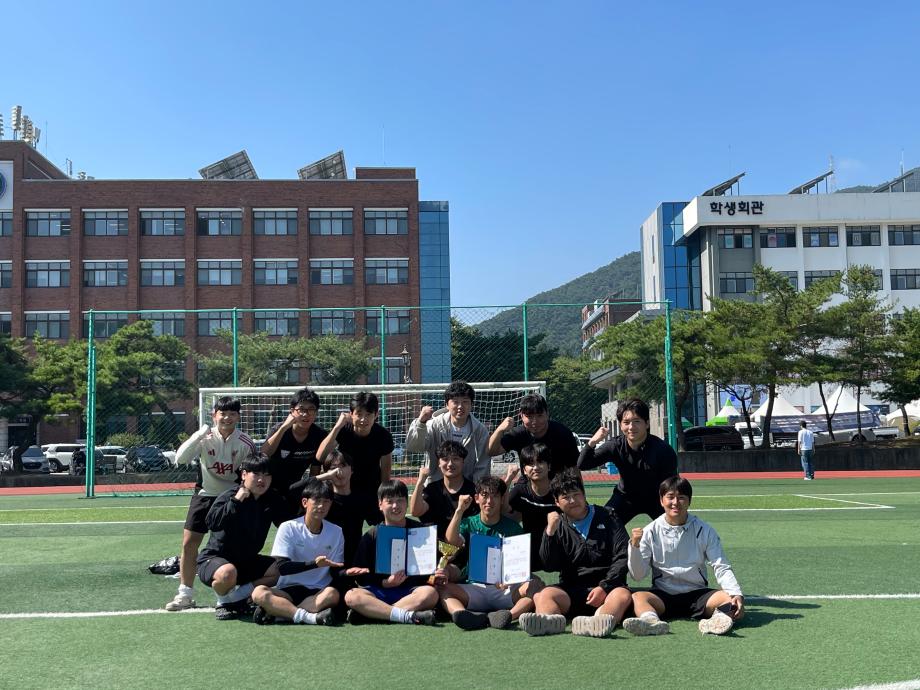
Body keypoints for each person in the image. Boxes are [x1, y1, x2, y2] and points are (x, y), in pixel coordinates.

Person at [165, 396, 257, 612]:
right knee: (189, 543)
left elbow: (252, 472)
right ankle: (185, 594)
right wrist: (199, 434)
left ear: (238, 417)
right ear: (214, 415)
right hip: (205, 495)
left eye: (232, 414)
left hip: (231, 498)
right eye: (222, 413)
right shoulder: (204, 437)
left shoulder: (245, 443)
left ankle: (229, 592)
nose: (227, 418)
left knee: (230, 546)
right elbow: (181, 459)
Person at [623, 475, 744, 637]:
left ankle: (715, 621)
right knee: (638, 597)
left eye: (681, 497)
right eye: (670, 497)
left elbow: (721, 565)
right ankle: (651, 622)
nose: (675, 502)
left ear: (689, 501)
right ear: (661, 500)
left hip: (698, 595)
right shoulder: (650, 531)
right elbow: (638, 575)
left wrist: (736, 593)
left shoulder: (704, 530)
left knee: (731, 601)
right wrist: (635, 547)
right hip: (663, 595)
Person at [519, 469, 632, 638]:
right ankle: (550, 621)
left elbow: (623, 555)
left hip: (606, 590)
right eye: (566, 497)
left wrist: (604, 586)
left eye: (576, 494)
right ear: (557, 502)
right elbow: (549, 565)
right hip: (571, 590)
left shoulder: (608, 516)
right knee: (545, 595)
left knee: (622, 595)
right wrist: (549, 533)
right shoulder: (557, 525)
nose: (572, 501)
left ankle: (597, 622)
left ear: (584, 494)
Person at [438, 476, 539, 630]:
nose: (489, 501)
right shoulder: (469, 523)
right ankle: (463, 615)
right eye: (485, 495)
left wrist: (510, 578)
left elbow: (519, 563)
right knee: (442, 588)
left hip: (505, 588)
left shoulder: (513, 528)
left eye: (495, 496)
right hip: (475, 587)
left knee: (536, 585)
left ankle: (508, 616)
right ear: (476, 498)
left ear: (502, 499)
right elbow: (450, 542)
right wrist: (459, 511)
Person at [196, 456, 287, 620]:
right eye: (256, 474)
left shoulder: (271, 499)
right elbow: (212, 523)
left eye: (266, 475)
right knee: (228, 572)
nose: (262, 480)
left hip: (246, 561)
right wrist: (236, 501)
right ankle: (223, 602)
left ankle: (237, 598)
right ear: (244, 474)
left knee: (278, 570)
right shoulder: (230, 495)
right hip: (215, 559)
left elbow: (286, 523)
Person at [342, 480, 439, 625]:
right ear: (380, 505)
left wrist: (437, 574)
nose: (395, 506)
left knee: (431, 594)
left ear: (407, 503)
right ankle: (405, 616)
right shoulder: (371, 536)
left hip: (410, 592)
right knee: (352, 596)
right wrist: (385, 582)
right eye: (390, 501)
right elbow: (361, 577)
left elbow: (431, 570)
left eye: (400, 500)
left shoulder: (422, 532)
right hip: (379, 591)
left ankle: (375, 614)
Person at [251, 479, 344, 626]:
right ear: (305, 502)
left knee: (332, 594)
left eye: (326, 501)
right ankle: (311, 618)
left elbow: (336, 568)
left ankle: (281, 613)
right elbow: (282, 567)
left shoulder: (336, 531)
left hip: (318, 591)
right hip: (288, 590)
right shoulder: (288, 527)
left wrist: (347, 572)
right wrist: (314, 564)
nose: (321, 506)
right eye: (317, 500)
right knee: (258, 593)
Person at [577, 398, 678, 525]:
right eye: (626, 422)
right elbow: (583, 464)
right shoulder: (615, 446)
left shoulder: (663, 450)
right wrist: (592, 442)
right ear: (620, 425)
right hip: (625, 497)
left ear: (647, 424)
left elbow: (672, 484)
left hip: (657, 498)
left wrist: (672, 508)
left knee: (675, 526)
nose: (631, 427)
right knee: (603, 526)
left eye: (637, 421)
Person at [317, 392, 394, 526]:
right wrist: (337, 426)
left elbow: (386, 470)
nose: (363, 419)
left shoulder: (383, 436)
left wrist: (383, 495)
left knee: (383, 528)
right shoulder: (344, 430)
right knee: (348, 531)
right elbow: (320, 456)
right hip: (346, 488)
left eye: (368, 414)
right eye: (359, 414)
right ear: (351, 414)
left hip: (372, 488)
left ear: (376, 415)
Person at [405, 380, 492, 482]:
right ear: (446, 404)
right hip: (436, 483)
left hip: (466, 485)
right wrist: (421, 422)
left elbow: (483, 464)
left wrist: (477, 487)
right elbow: (414, 447)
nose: (460, 406)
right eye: (455, 402)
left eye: (465, 402)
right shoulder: (434, 424)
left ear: (471, 404)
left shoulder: (480, 430)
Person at [260, 387, 327, 518]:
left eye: (311, 409)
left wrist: (310, 494)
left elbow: (315, 467)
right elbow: (263, 454)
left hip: (295, 488)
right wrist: (284, 427)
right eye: (301, 409)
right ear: (292, 411)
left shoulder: (319, 435)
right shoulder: (279, 430)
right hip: (268, 487)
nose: (305, 414)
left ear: (316, 412)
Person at [488, 393, 578, 476]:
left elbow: (574, 467)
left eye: (539, 415)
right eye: (529, 417)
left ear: (547, 414)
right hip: (529, 482)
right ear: (521, 415)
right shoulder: (518, 434)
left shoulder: (562, 433)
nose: (534, 422)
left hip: (558, 483)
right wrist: (499, 430)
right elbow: (491, 451)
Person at [408, 440, 478, 538]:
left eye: (455, 459)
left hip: (463, 543)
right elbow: (415, 511)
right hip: (435, 544)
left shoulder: (473, 491)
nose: (450, 464)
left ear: (463, 462)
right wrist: (420, 482)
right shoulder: (432, 489)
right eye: (445, 459)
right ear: (439, 463)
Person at [505, 443, 557, 572]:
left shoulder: (560, 489)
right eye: (531, 463)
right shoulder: (521, 491)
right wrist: (509, 478)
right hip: (530, 547)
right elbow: (501, 508)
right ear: (524, 470)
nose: (536, 467)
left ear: (549, 466)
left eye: (540, 462)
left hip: (558, 545)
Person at [316, 450, 365, 567]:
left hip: (354, 559)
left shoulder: (361, 498)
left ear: (352, 470)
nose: (338, 471)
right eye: (333, 468)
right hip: (326, 559)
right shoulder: (322, 500)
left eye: (343, 466)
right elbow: (294, 489)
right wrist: (324, 477)